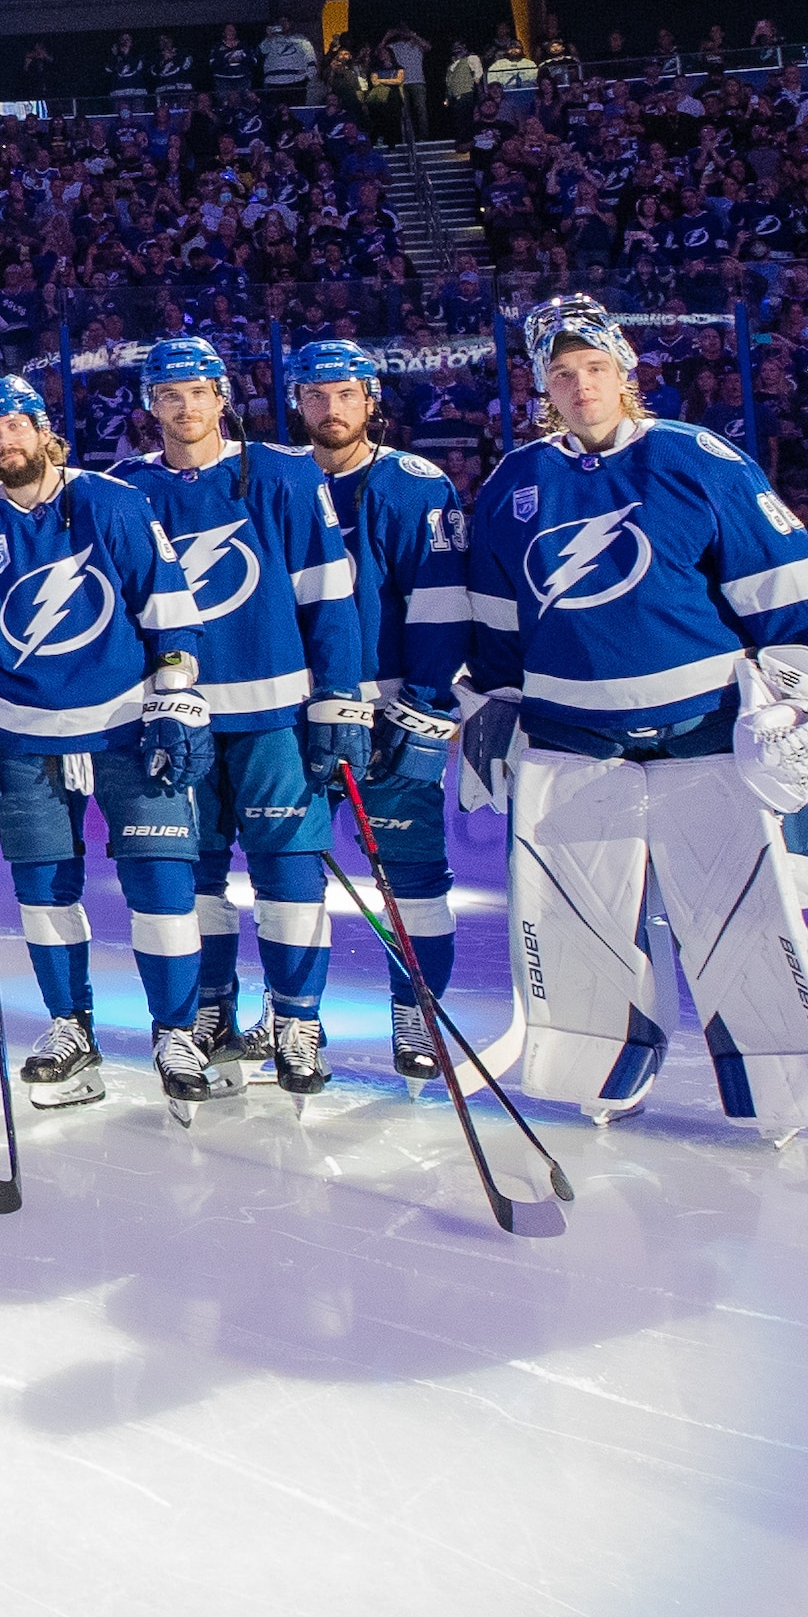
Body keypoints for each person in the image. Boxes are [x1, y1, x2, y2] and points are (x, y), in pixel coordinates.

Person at [434, 295, 808, 1139]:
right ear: (541, 389)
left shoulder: (697, 458)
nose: (580, 386)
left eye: (595, 369)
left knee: (740, 914)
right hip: (569, 741)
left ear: (626, 375)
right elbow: (496, 624)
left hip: (700, 735)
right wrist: (491, 709)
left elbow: (792, 593)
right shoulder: (516, 484)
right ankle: (603, 1070)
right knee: (576, 922)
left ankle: (782, 1082)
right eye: (562, 375)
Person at [0, 376, 220, 1117]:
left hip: (128, 728)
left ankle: (176, 1033)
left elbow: (170, 612)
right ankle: (70, 1028)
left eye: (13, 430)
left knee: (161, 888)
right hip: (26, 738)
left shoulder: (110, 502)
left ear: (42, 428)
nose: (3, 445)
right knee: (43, 893)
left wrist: (177, 697)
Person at [116, 338, 370, 1090]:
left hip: (273, 714)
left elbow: (329, 592)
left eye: (198, 391)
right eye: (169, 394)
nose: (186, 406)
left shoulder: (285, 475)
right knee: (194, 875)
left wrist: (339, 696)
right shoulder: (126, 492)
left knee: (289, 870)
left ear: (222, 397)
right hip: (173, 718)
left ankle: (296, 1021)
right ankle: (209, 1013)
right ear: (148, 406)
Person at [288, 342, 474, 1089]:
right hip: (296, 717)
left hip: (390, 716)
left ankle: (416, 1011)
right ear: (296, 403)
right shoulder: (276, 479)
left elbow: (439, 607)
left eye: (344, 394)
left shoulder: (412, 485)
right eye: (314, 396)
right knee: (290, 877)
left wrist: (427, 709)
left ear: (371, 401)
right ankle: (296, 1017)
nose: (329, 410)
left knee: (414, 881)